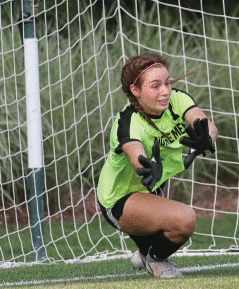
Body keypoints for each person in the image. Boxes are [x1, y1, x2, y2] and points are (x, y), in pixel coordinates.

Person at [96, 52, 218, 278]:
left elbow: (206, 124)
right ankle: (156, 259)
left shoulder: (177, 100)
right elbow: (137, 157)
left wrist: (206, 137)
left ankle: (144, 253)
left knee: (168, 222)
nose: (165, 91)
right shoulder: (127, 123)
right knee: (184, 220)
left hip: (148, 190)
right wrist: (148, 166)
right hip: (117, 199)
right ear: (136, 90)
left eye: (168, 82)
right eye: (155, 86)